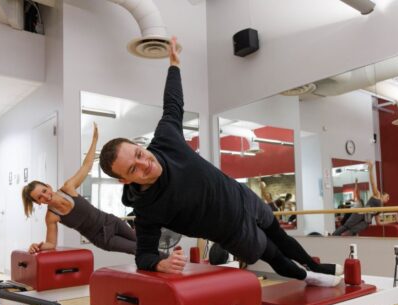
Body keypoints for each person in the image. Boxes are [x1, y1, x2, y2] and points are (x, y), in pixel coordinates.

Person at [99, 37, 341, 287]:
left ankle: (315, 265)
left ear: (140, 147)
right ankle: (310, 277)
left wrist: (174, 65)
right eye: (133, 169)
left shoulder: (165, 139)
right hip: (232, 231)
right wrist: (160, 263)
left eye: (139, 154)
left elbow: (173, 103)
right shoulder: (147, 210)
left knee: (280, 235)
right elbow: (144, 255)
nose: (144, 163)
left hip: (241, 196)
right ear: (124, 180)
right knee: (273, 254)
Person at [22, 123, 136, 254]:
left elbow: (86, 166)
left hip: (112, 221)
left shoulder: (68, 188)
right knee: (137, 249)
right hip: (101, 237)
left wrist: (94, 140)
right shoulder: (51, 217)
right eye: (39, 197)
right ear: (38, 202)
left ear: (48, 186)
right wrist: (37, 246)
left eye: (44, 191)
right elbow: (51, 244)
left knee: (144, 245)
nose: (45, 196)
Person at [332, 161, 389, 236]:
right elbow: (372, 183)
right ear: (382, 195)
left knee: (353, 231)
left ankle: (344, 238)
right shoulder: (377, 195)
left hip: (366, 220)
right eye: (387, 196)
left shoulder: (381, 208)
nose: (388, 199)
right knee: (346, 226)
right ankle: (332, 236)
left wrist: (392, 222)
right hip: (361, 213)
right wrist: (371, 170)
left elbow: (378, 223)